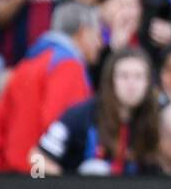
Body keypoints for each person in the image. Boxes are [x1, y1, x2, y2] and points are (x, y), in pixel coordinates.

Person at [0, 1, 103, 174]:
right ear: (83, 32)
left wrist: (0, 173)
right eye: (98, 35)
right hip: (42, 177)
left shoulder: (27, 64)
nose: (100, 44)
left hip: (15, 176)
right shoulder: (68, 67)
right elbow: (59, 127)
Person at [36, 46, 161, 175]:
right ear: (110, 81)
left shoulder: (153, 117)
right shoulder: (81, 115)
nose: (131, 84)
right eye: (124, 76)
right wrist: (67, 185)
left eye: (139, 77)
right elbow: (37, 157)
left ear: (148, 83)